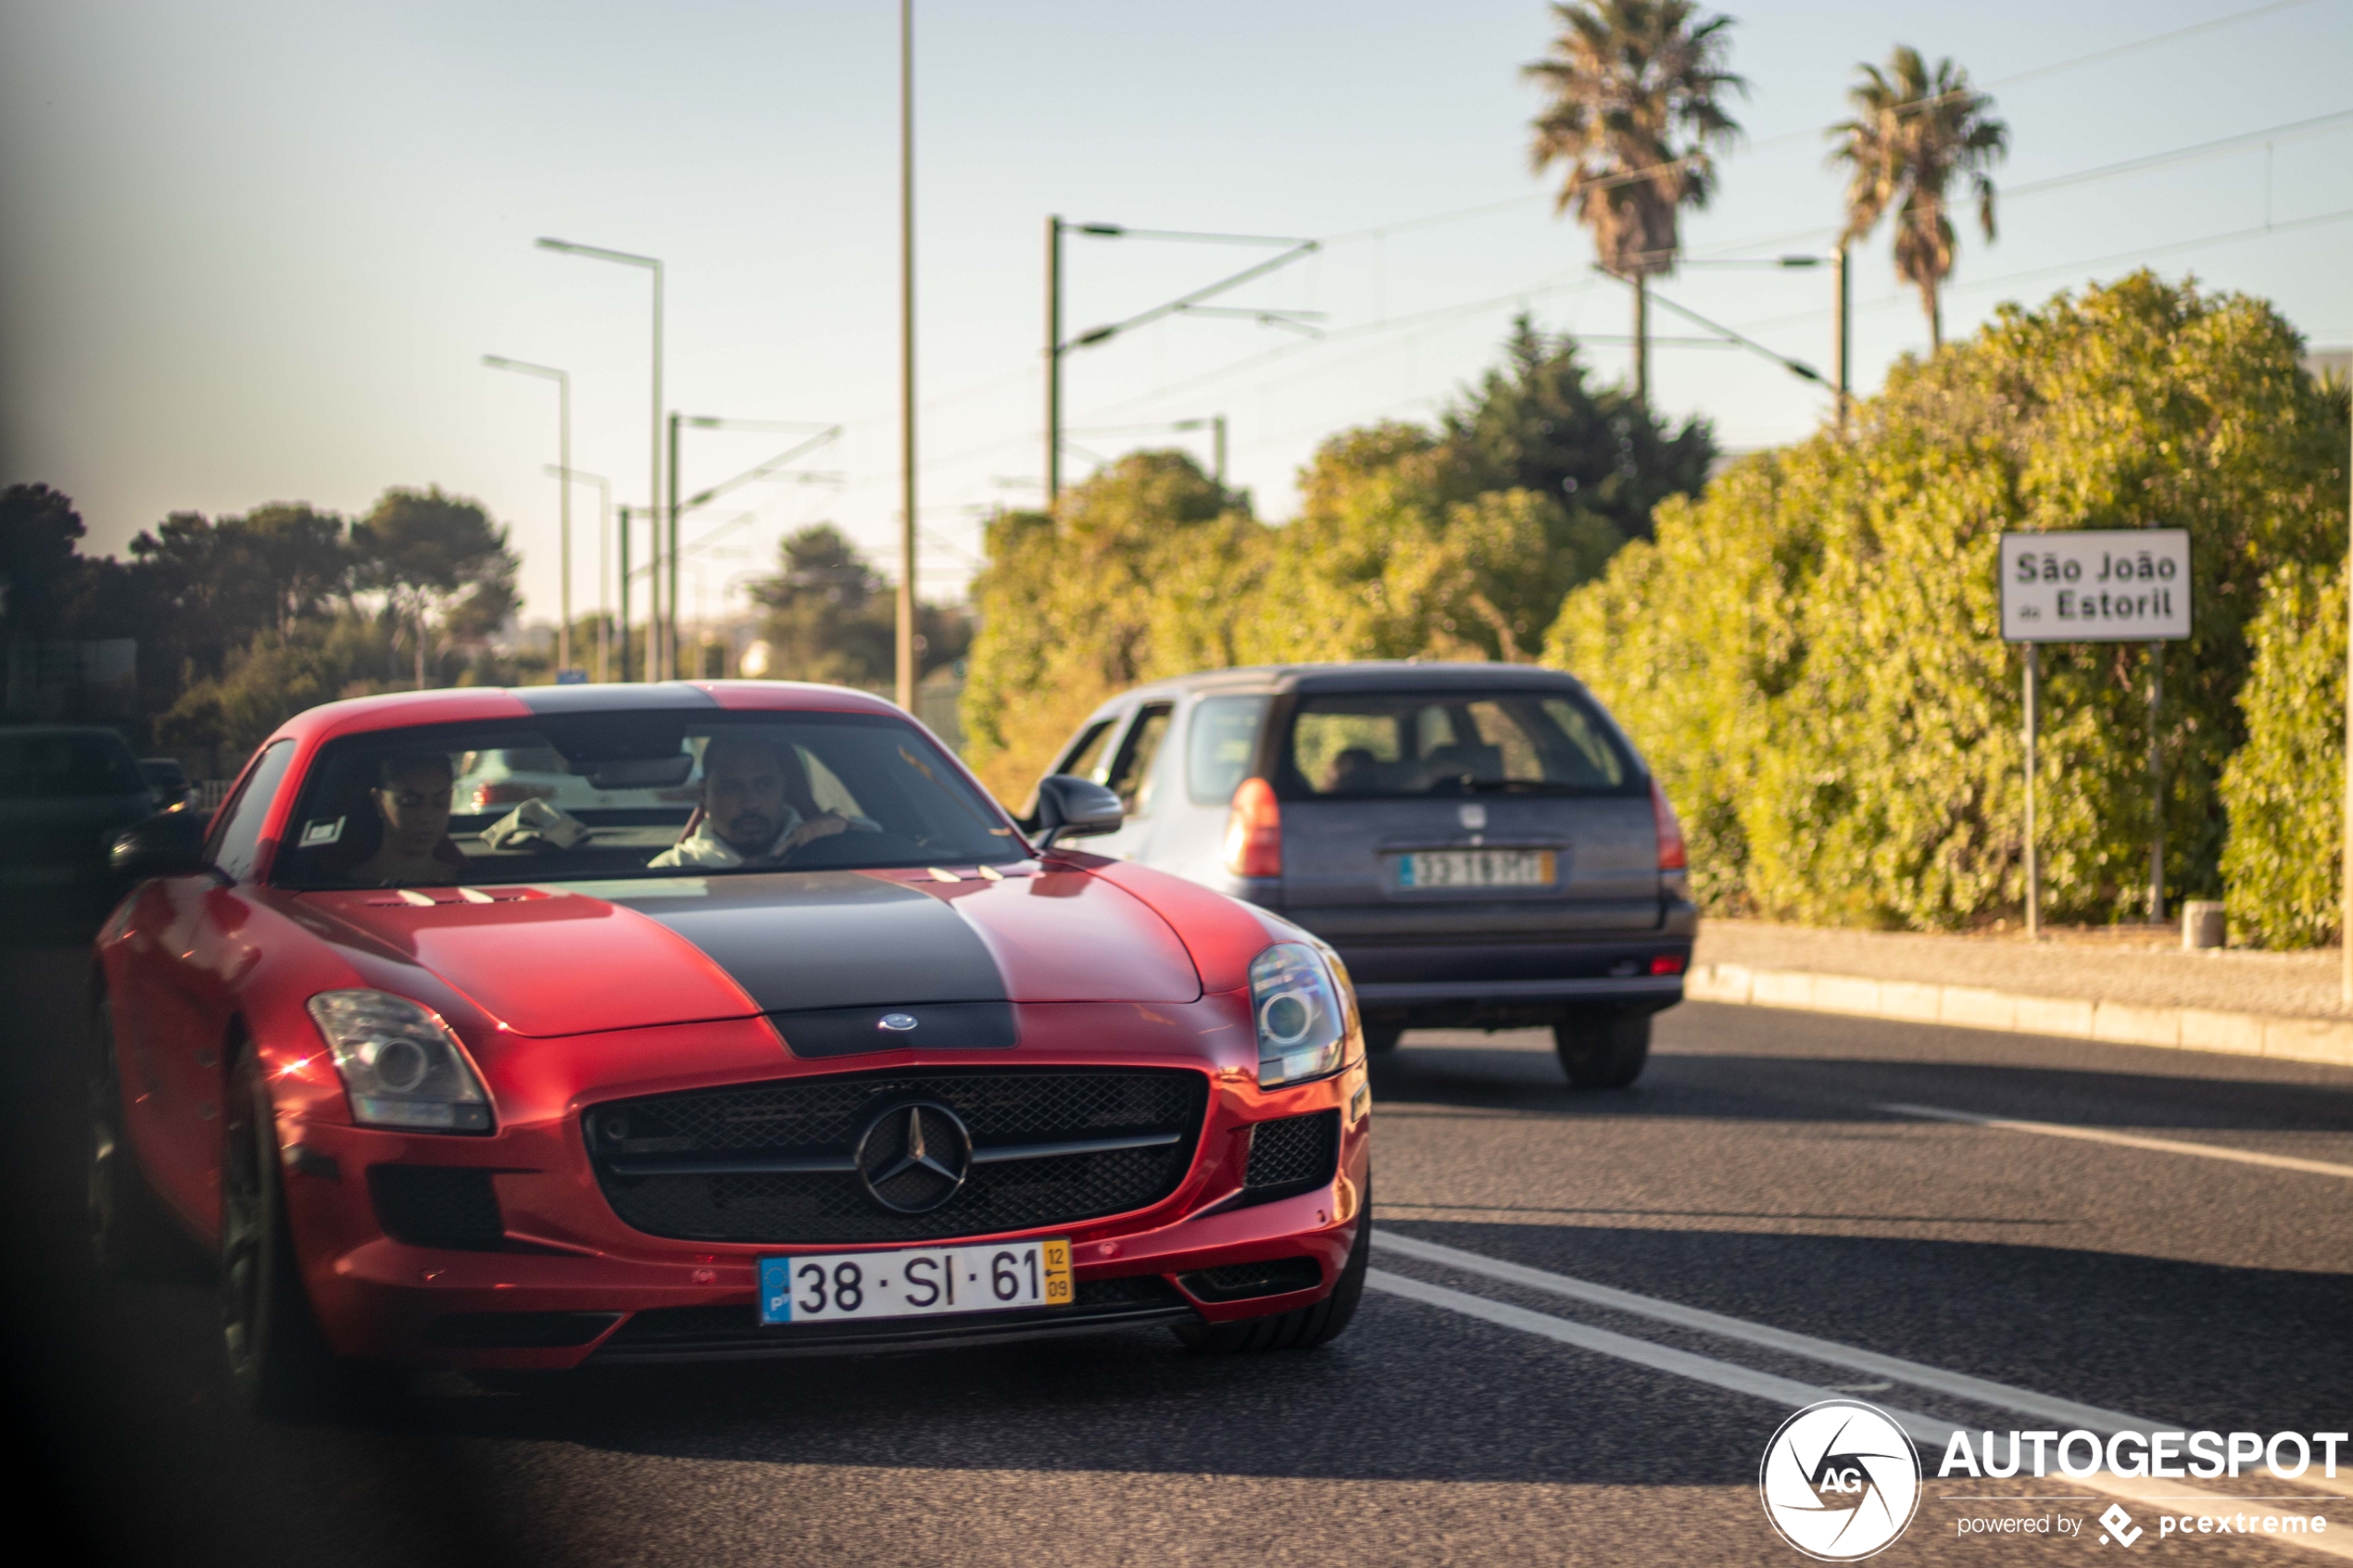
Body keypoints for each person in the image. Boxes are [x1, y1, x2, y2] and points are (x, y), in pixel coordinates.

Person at [649, 733, 849, 869]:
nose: (750, 803)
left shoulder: (836, 851)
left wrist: (845, 828)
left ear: (783, 787)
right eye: (731, 788)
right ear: (704, 793)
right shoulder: (669, 872)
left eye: (763, 785)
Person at [343, 752, 466, 885]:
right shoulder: (342, 887)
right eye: (410, 802)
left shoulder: (468, 882)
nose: (427, 816)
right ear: (378, 801)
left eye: (440, 801)